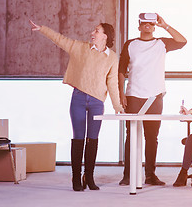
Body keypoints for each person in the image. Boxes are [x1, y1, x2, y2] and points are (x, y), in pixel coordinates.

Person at [29, 20, 124, 191]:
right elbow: (60, 39)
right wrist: (42, 29)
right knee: (78, 137)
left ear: (105, 36)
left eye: (97, 30)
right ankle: (75, 178)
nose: (92, 33)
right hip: (78, 99)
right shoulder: (80, 47)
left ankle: (89, 176)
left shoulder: (112, 57)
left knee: (92, 139)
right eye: (94, 30)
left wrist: (117, 106)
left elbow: (112, 83)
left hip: (97, 103)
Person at [118, 13, 187, 186]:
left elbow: (182, 41)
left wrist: (165, 25)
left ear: (154, 26)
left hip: (155, 96)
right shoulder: (130, 44)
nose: (147, 25)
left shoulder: (161, 43)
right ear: (139, 26)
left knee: (152, 137)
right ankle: (128, 175)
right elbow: (121, 70)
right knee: (131, 136)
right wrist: (121, 93)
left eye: (151, 23)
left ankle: (150, 175)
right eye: (144, 23)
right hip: (133, 94)